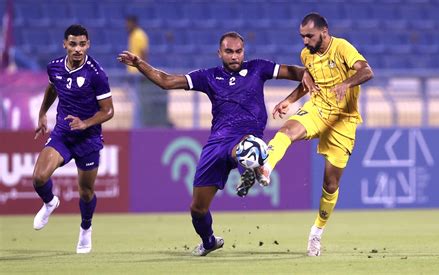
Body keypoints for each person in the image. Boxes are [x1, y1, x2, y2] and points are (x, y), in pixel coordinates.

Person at [118, 31, 311, 256]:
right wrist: (140, 64)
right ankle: (209, 241)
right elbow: (167, 81)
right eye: (229, 51)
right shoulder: (208, 77)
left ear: (244, 52)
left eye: (238, 51)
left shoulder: (259, 67)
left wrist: (306, 73)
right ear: (219, 53)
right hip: (217, 143)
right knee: (197, 209)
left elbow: (293, 71)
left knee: (247, 148)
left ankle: (253, 165)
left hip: (245, 135)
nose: (234, 56)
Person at [246, 13, 374, 256]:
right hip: (318, 109)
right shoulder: (306, 55)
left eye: (309, 36)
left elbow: (367, 71)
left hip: (343, 121)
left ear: (324, 32)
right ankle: (266, 167)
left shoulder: (342, 47)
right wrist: (289, 100)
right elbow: (308, 83)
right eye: (302, 36)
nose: (304, 41)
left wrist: (346, 84)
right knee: (287, 130)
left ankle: (316, 232)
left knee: (330, 183)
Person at [32, 24, 114, 254]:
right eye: (73, 44)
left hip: (88, 139)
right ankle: (50, 202)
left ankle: (85, 229)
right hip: (63, 134)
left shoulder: (96, 74)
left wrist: (85, 123)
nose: (77, 49)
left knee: (86, 191)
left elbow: (108, 111)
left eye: (82, 44)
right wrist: (42, 114)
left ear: (88, 45)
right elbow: (53, 88)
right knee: (39, 177)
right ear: (65, 45)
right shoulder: (55, 67)